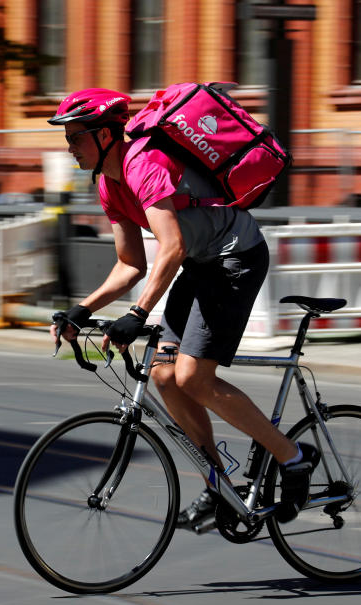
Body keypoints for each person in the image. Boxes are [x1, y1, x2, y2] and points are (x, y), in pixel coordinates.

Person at [47, 88, 319, 529]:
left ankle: (294, 457)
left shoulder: (143, 165)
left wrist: (136, 315)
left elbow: (170, 247)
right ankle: (220, 484)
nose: (70, 148)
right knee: (162, 375)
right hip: (197, 263)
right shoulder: (108, 184)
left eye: (76, 138)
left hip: (235, 257)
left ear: (103, 136)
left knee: (192, 375)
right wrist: (81, 309)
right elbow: (130, 263)